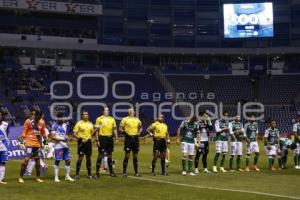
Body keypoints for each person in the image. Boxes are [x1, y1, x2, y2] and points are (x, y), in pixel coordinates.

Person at [18, 110, 48, 183]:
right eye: (38, 116)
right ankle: (21, 177)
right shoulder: (28, 121)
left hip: (37, 144)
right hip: (29, 143)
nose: (39, 118)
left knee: (37, 161)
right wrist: (21, 143)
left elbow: (43, 134)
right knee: (26, 160)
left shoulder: (42, 122)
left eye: (40, 117)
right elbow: (24, 133)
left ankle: (38, 178)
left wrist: (45, 143)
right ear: (35, 115)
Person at [94, 106, 118, 178]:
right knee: (100, 155)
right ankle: (97, 173)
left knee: (110, 156)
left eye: (108, 110)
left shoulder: (112, 119)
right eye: (106, 110)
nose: (107, 111)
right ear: (103, 111)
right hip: (102, 138)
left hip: (110, 138)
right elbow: (96, 130)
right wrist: (97, 140)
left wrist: (116, 138)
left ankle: (111, 172)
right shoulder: (99, 119)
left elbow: (114, 129)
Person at [50, 112, 74, 182]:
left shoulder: (65, 125)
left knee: (68, 160)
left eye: (62, 117)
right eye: (60, 117)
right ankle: (56, 177)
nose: (62, 119)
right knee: (57, 161)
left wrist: (69, 138)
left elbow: (65, 135)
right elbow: (53, 137)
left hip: (65, 145)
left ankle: (67, 176)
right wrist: (62, 139)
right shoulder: (54, 125)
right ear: (58, 118)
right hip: (58, 146)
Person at [119, 108, 142, 177]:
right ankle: (124, 172)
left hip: (135, 139)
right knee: (127, 156)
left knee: (135, 156)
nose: (132, 112)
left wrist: (139, 132)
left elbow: (140, 127)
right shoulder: (124, 119)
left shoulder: (137, 119)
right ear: (128, 112)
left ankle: (136, 172)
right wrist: (124, 132)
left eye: (132, 111)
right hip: (128, 139)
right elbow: (120, 128)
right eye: (130, 111)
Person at [73, 111, 94, 179]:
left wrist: (94, 132)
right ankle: (77, 174)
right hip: (81, 142)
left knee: (88, 158)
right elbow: (74, 133)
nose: (86, 115)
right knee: (80, 158)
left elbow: (92, 133)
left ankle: (89, 174)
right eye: (85, 114)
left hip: (88, 142)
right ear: (82, 116)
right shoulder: (79, 123)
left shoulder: (90, 124)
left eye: (87, 114)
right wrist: (80, 138)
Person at [0, 111, 9, 184]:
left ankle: (1, 179)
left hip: (3, 146)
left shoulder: (5, 124)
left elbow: (7, 134)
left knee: (3, 162)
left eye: (0, 115)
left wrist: (5, 143)